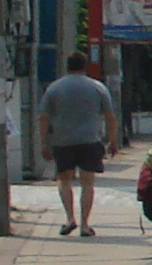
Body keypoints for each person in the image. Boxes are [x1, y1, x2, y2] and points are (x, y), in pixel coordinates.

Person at [36, 53, 120, 236]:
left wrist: (44, 143)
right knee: (87, 182)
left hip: (62, 141)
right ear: (85, 66)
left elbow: (43, 117)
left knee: (64, 180)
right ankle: (84, 225)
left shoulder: (54, 88)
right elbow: (110, 117)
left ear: (67, 66)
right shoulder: (97, 87)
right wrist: (113, 141)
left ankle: (69, 219)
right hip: (90, 141)